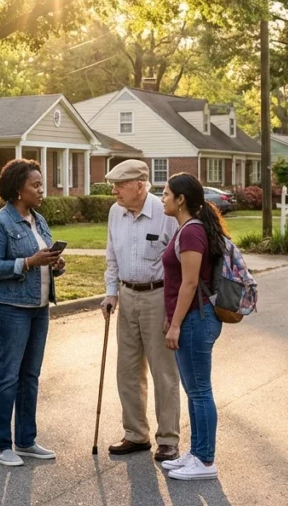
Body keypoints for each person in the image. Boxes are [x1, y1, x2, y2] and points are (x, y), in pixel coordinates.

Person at [0, 158, 66, 467]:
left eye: (41, 184)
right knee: (8, 377)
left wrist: (56, 264)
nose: (41, 190)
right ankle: (1, 445)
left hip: (38, 307)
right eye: (36, 185)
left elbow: (45, 260)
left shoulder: (38, 219)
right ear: (19, 190)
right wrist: (29, 263)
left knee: (30, 376)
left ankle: (26, 441)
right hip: (10, 309)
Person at [99, 160, 181, 462]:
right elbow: (111, 255)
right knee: (128, 370)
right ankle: (136, 434)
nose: (114, 190)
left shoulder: (165, 212)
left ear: (140, 185)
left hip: (157, 295)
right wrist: (110, 293)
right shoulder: (115, 212)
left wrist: (172, 309)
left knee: (163, 371)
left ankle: (168, 439)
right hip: (127, 294)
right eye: (114, 185)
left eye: (120, 185)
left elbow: (178, 263)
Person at [160, 172, 226, 481]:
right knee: (193, 391)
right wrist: (170, 317)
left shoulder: (190, 233)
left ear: (181, 199)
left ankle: (206, 460)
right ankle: (197, 452)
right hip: (191, 318)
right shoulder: (185, 229)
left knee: (200, 391)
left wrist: (174, 325)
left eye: (166, 193)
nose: (162, 198)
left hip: (195, 320)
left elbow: (188, 283)